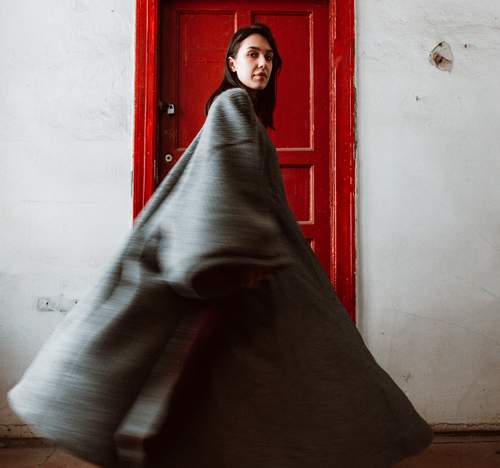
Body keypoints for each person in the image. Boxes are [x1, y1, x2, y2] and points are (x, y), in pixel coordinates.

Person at [8, 23, 433, 467]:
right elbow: (226, 174)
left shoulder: (244, 113)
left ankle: (163, 437)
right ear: (232, 63)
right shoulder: (232, 104)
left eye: (269, 57)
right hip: (240, 254)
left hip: (247, 252)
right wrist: (240, 247)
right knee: (237, 355)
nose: (263, 63)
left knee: (221, 361)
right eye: (252, 54)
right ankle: (148, 433)